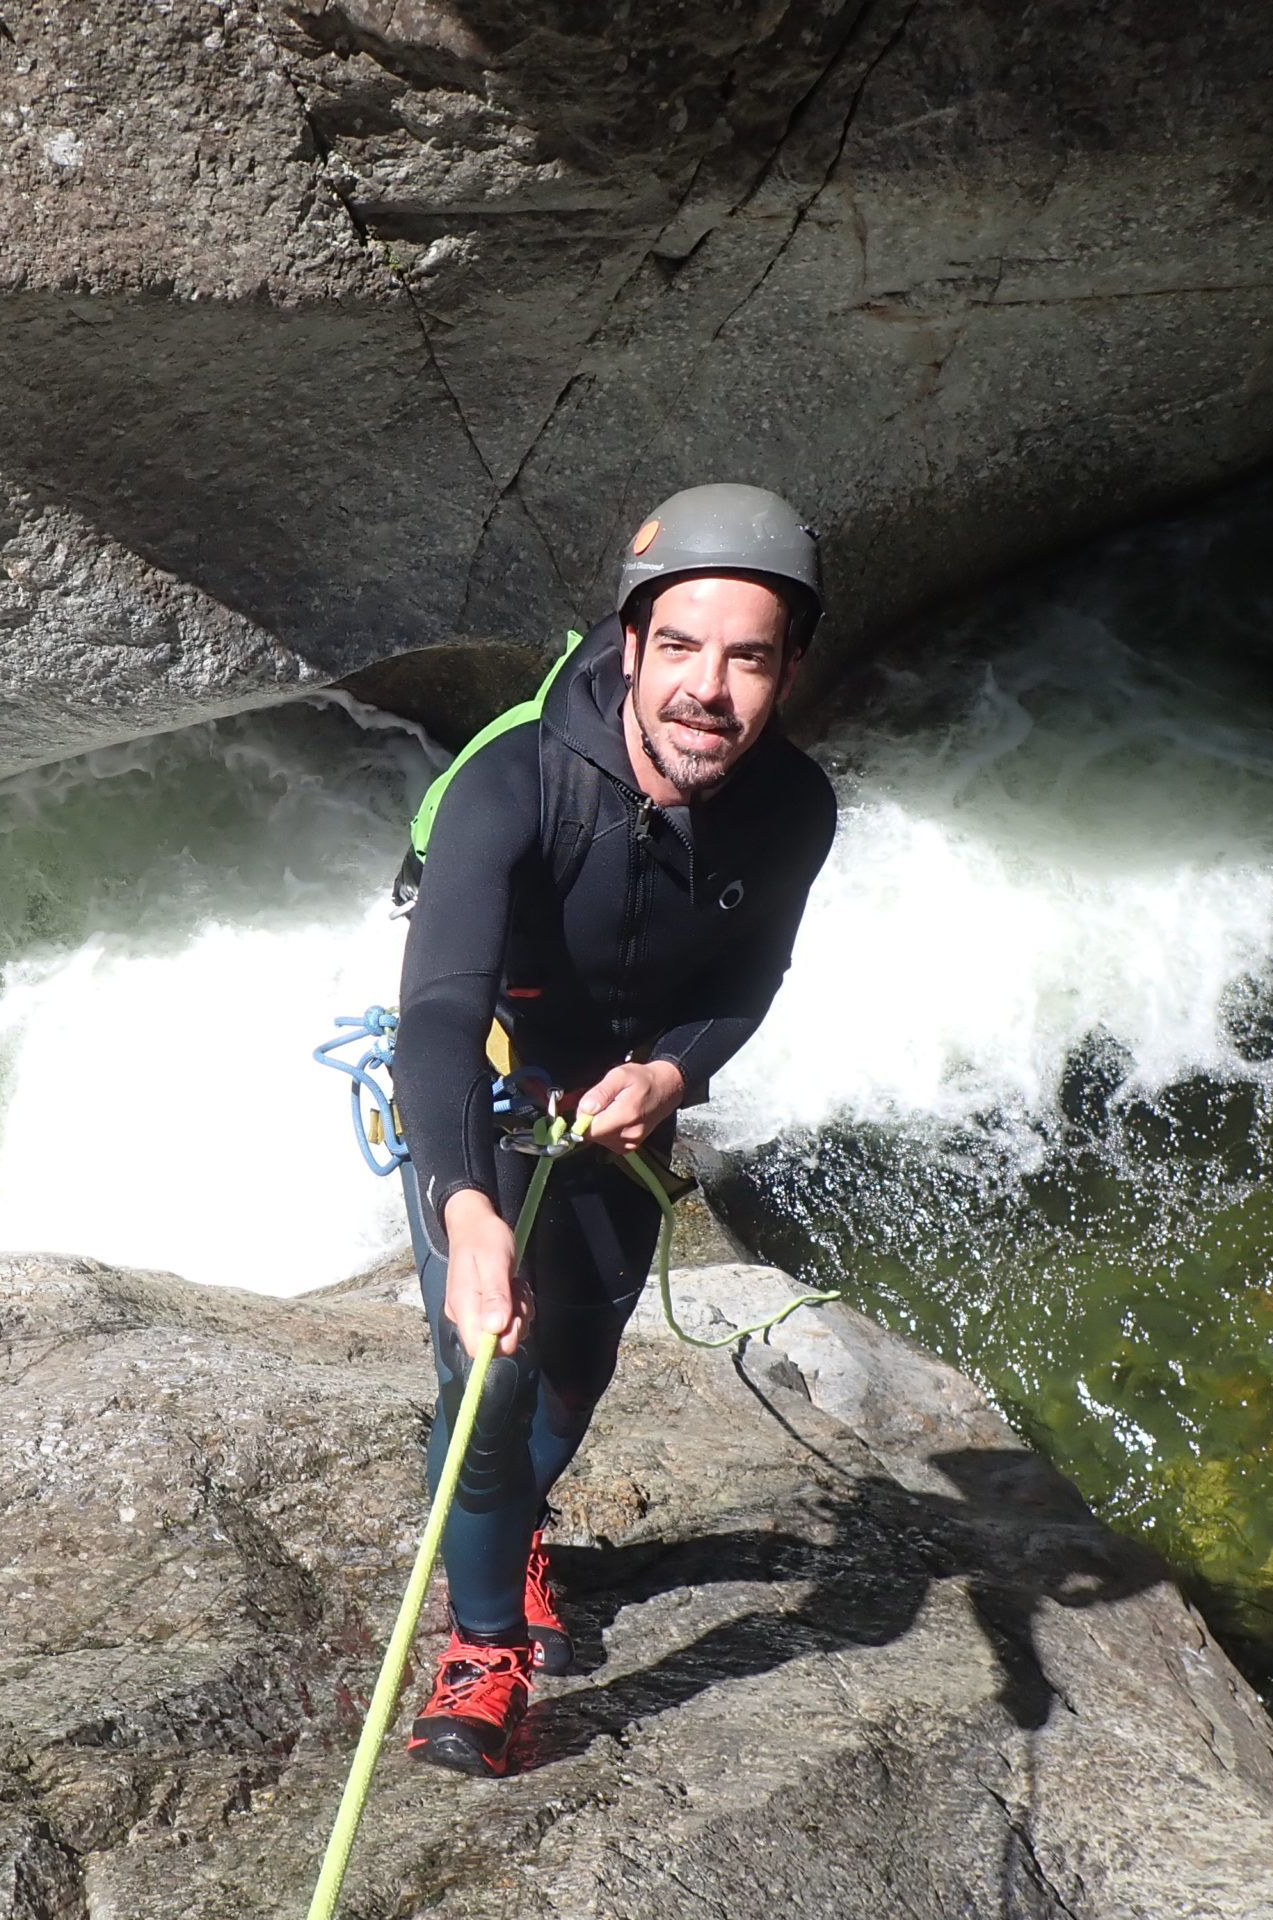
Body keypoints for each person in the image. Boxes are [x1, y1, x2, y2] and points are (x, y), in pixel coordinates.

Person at [390, 483, 838, 1775]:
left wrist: (673, 1077)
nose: (711, 688)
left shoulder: (794, 807)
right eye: (683, 648)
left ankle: (517, 1528)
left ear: (787, 672)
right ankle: (484, 1647)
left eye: (749, 658)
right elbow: (434, 1011)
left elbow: (743, 987)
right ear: (632, 647)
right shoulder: (514, 784)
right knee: (490, 1378)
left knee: (574, 1370)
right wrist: (466, 1211)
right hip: (485, 1088)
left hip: (617, 1112)